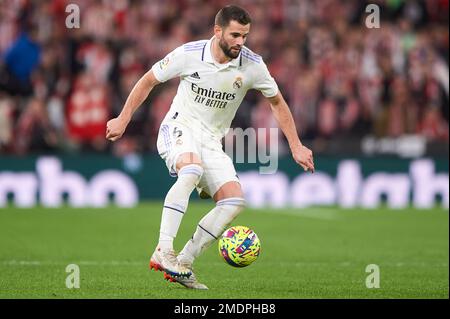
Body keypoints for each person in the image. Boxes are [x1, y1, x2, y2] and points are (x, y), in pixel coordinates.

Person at [106, 5, 315, 290]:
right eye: (235, 35)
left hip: (211, 142)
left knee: (234, 202)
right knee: (191, 169)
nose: (241, 42)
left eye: (245, 36)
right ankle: (163, 249)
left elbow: (277, 102)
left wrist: (296, 145)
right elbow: (149, 80)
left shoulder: (253, 65)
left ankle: (183, 262)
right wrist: (123, 117)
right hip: (178, 127)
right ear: (217, 31)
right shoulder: (189, 54)